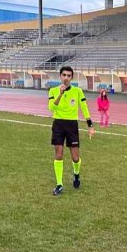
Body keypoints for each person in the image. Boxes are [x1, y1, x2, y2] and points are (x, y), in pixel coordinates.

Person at [48, 66, 94, 196]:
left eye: (69, 75)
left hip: (72, 125)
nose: (66, 78)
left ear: (71, 77)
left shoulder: (78, 91)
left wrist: (90, 125)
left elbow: (84, 108)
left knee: (75, 157)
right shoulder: (53, 91)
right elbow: (51, 107)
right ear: (60, 76)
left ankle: (76, 174)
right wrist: (60, 94)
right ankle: (59, 184)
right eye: (64, 75)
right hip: (58, 124)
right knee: (59, 154)